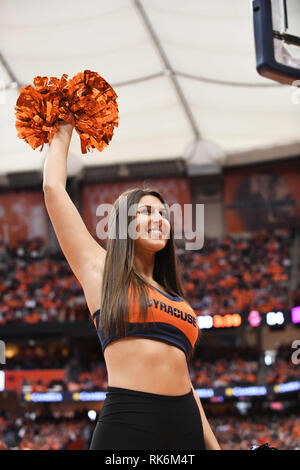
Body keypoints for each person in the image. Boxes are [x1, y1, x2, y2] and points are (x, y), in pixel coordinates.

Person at [43, 117, 221, 450]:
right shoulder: (100, 270)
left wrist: (214, 446)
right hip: (130, 424)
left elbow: (185, 381)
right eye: (146, 213)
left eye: (163, 215)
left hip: (186, 427)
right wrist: (63, 129)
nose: (159, 220)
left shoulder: (177, 298)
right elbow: (54, 190)